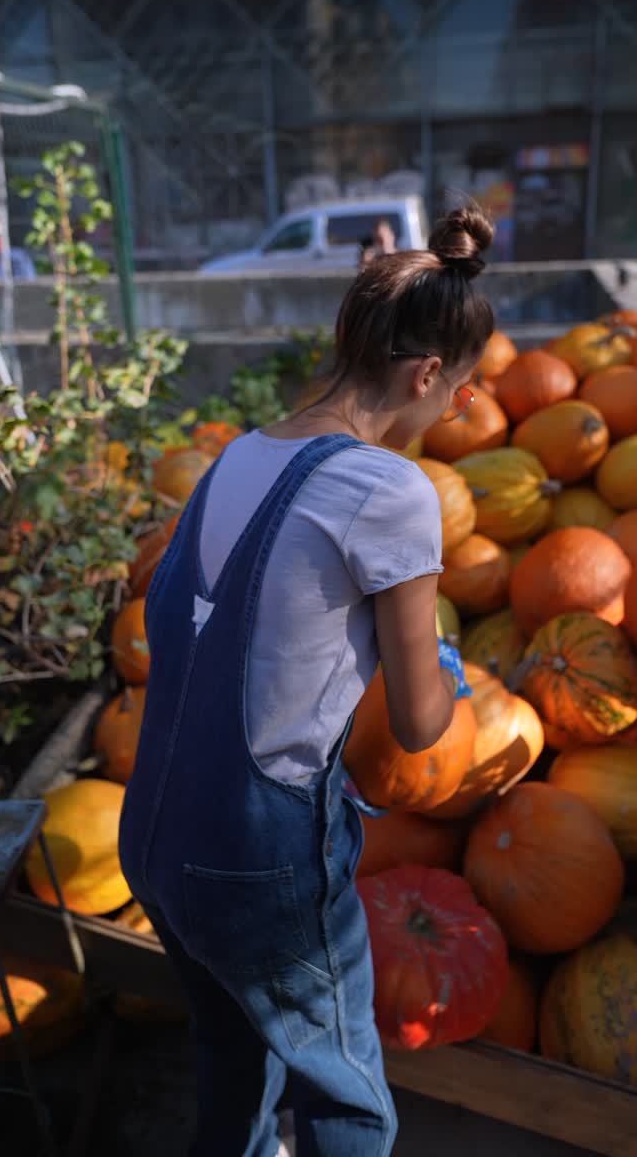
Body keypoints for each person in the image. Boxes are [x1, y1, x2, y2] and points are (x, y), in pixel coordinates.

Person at [119, 205, 495, 1157]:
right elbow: (416, 726)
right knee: (345, 1098)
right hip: (256, 858)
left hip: (155, 833)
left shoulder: (240, 454)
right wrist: (447, 667)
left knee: (236, 1064)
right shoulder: (391, 490)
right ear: (423, 376)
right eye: (461, 391)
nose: (459, 410)